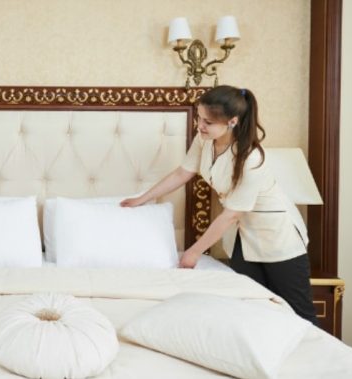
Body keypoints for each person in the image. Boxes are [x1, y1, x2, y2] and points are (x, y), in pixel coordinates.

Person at [121, 85, 318, 325]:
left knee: (299, 313)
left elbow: (231, 214)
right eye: (200, 119)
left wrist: (193, 252)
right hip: (243, 238)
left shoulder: (251, 158)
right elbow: (183, 173)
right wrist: (142, 198)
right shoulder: (205, 140)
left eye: (208, 122)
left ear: (232, 121)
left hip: (277, 237)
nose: (200, 126)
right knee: (253, 308)